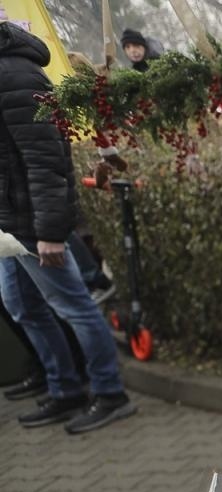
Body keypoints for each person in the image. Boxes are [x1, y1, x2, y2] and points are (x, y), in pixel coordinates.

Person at [0, 22, 134, 432]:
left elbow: (47, 159)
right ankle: (65, 389)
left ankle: (111, 394)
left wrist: (51, 233)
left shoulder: (15, 74)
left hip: (31, 224)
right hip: (9, 224)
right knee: (22, 306)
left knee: (73, 305)